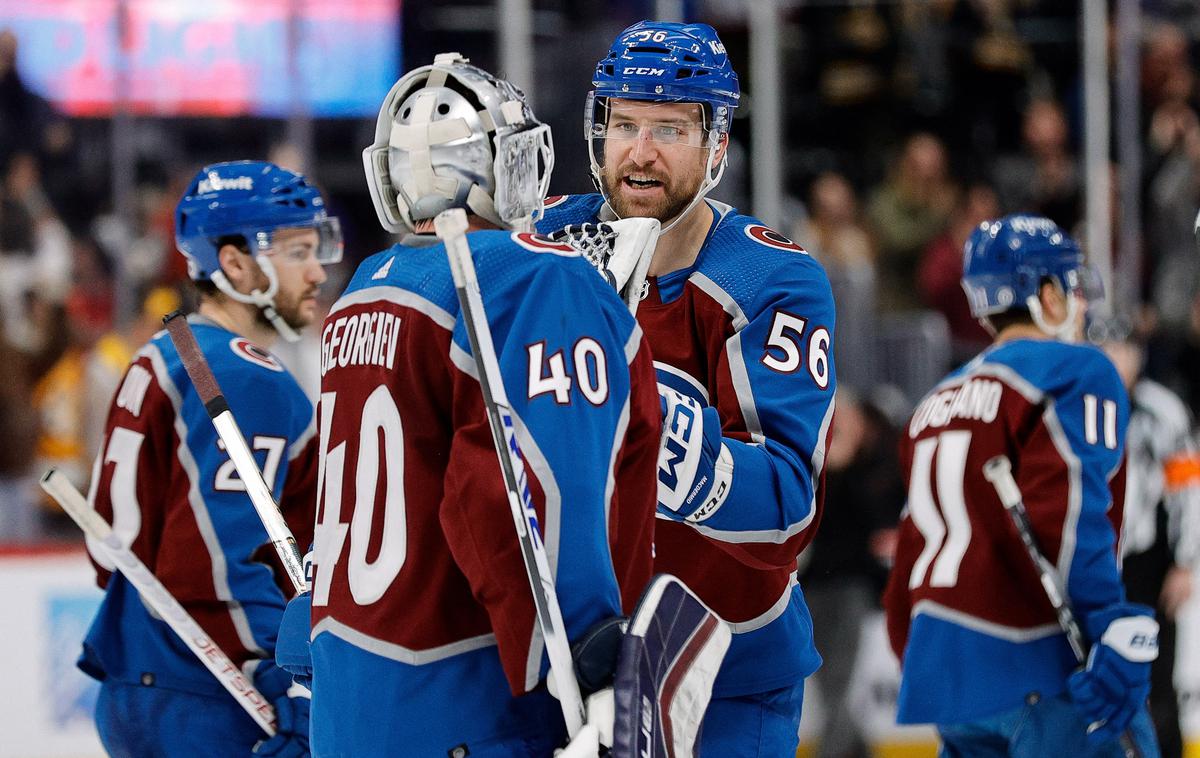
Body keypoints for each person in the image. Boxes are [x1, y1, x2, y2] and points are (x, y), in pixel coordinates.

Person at [293, 54, 660, 756]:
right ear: (506, 161)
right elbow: (530, 490)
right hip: (473, 708)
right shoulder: (533, 279)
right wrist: (593, 664)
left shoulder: (363, 290)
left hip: (348, 708)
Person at [537, 21, 837, 757]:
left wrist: (686, 457)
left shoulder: (770, 279)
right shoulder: (542, 245)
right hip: (568, 658)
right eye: (626, 124)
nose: (641, 151)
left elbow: (788, 506)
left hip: (725, 668)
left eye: (671, 127)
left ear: (716, 147)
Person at [78, 160, 339, 756]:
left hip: (136, 684)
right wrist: (283, 686)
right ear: (235, 263)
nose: (317, 270)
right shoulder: (245, 375)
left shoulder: (167, 351)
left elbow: (107, 552)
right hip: (217, 698)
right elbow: (223, 564)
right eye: (297, 251)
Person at [883, 215, 1160, 757]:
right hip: (1041, 663)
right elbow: (1072, 511)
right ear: (1047, 293)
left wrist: (922, 659)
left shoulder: (933, 403)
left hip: (947, 680)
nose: (1080, 303)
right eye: (1071, 286)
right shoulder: (1075, 370)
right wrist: (1106, 628)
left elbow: (910, 550)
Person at [1099, 323, 1198, 758]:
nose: (1114, 360)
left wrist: (1185, 561)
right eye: (1104, 350)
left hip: (1149, 562)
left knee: (1157, 684)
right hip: (1097, 565)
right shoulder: (1079, 407)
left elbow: (1188, 491)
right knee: (1098, 680)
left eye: (1121, 350)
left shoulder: (1164, 411)